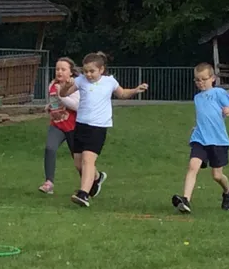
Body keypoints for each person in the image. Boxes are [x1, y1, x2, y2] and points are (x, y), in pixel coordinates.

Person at [57, 51, 148, 207]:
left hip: (98, 127)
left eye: (92, 71)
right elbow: (64, 94)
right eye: (86, 71)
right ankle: (97, 178)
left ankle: (84, 194)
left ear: (101, 70)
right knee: (78, 164)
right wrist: (65, 87)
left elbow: (122, 94)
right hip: (81, 125)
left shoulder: (109, 82)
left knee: (88, 160)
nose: (89, 75)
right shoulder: (80, 81)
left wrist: (135, 90)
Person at [172, 63, 229, 213]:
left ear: (212, 78)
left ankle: (228, 191)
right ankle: (186, 200)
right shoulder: (197, 98)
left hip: (218, 140)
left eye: (203, 79)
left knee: (217, 175)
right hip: (200, 139)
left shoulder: (219, 93)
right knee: (193, 166)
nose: (200, 83)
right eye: (197, 80)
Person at [38, 57, 80, 194]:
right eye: (57, 69)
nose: (59, 72)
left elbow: (76, 106)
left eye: (63, 69)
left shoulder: (74, 86)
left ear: (71, 73)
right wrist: (49, 106)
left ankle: (91, 183)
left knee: (78, 159)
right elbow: (55, 102)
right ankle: (49, 183)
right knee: (50, 148)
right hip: (56, 124)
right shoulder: (52, 84)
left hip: (73, 126)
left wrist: (61, 95)